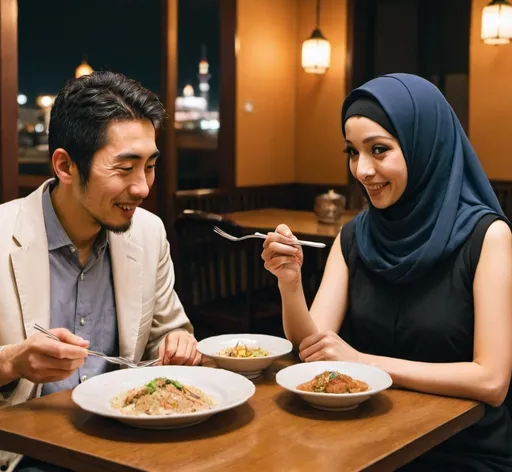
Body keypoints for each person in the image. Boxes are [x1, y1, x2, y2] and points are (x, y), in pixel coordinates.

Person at [261, 73, 512, 470]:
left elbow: (492, 381)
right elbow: (313, 348)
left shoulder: (488, 237)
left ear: (423, 146)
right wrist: (290, 285)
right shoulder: (354, 236)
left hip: (461, 448)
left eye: (379, 150)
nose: (361, 170)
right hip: (369, 438)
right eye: (352, 152)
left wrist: (364, 361)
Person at [0, 71, 201, 472]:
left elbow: (169, 331)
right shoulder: (4, 236)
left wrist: (177, 341)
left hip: (126, 442)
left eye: (150, 166)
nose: (143, 188)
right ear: (65, 165)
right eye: (125, 169)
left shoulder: (148, 233)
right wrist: (12, 363)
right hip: (27, 453)